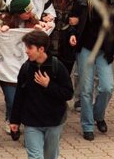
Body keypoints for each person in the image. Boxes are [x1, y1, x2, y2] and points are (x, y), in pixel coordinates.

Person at [9, 30, 74, 159]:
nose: (26, 51)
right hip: (32, 122)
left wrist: (49, 86)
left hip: (54, 121)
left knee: (50, 156)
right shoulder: (26, 68)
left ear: (41, 49)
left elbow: (68, 93)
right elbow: (19, 95)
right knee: (35, 156)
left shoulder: (57, 67)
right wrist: (14, 120)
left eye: (30, 48)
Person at [69, 0, 114, 141]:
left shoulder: (113, 0)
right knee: (86, 89)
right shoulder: (83, 1)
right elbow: (73, 21)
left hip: (104, 49)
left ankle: (98, 115)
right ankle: (87, 125)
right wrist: (73, 34)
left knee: (107, 87)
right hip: (86, 48)